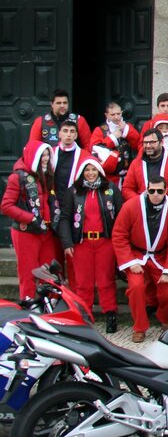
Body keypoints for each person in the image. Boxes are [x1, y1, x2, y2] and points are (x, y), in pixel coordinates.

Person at [112, 175, 168, 343]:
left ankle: (163, 315)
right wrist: (130, 262)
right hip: (136, 256)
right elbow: (119, 235)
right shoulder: (131, 206)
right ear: (146, 190)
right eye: (152, 191)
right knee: (136, 287)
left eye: (160, 191)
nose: (156, 194)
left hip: (160, 256)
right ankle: (139, 327)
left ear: (166, 191)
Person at [58, 157, 122, 332]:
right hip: (82, 242)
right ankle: (84, 316)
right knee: (83, 282)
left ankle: (110, 313)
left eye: (94, 170)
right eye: (87, 170)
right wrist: (67, 242)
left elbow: (121, 215)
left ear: (99, 171)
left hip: (105, 241)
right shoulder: (73, 192)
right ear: (81, 173)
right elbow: (65, 218)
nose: (91, 173)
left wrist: (119, 241)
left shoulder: (110, 189)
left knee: (106, 280)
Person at [2, 141, 56, 298]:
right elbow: (6, 206)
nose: (45, 159)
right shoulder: (16, 177)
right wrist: (31, 218)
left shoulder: (46, 175)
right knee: (28, 274)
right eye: (42, 155)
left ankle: (49, 309)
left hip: (46, 231)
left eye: (47, 155)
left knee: (48, 273)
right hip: (26, 232)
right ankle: (29, 309)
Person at [89, 101, 141, 187]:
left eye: (118, 114)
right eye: (113, 115)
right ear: (106, 115)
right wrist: (113, 138)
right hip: (108, 178)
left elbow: (138, 144)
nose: (116, 117)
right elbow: (95, 150)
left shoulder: (128, 127)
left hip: (128, 177)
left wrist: (127, 131)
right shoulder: (99, 130)